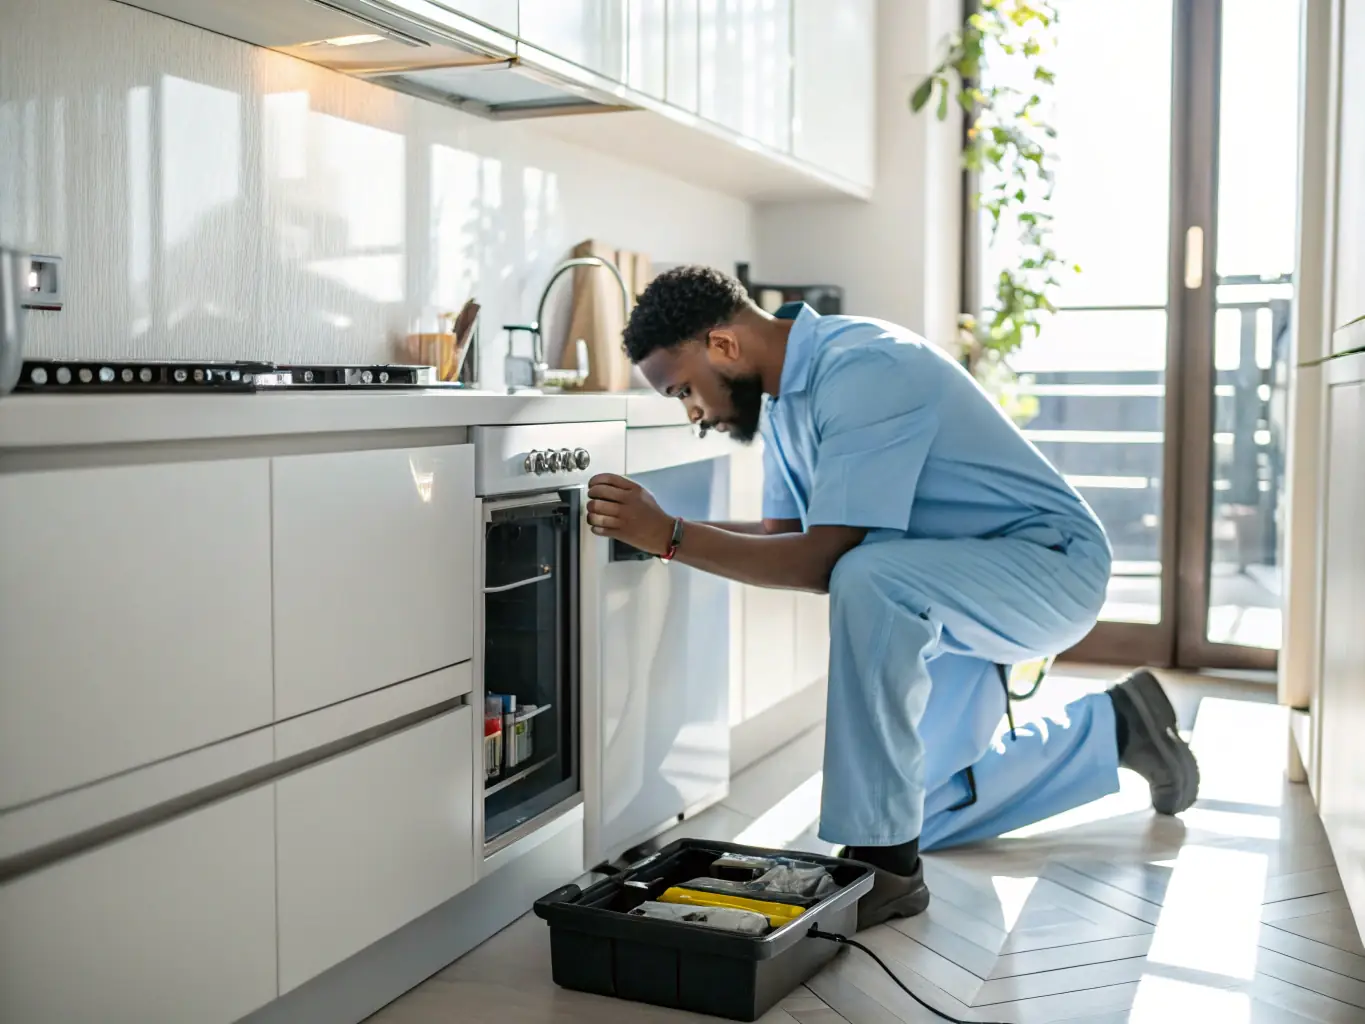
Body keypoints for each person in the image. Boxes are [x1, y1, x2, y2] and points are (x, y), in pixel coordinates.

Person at [586, 266, 1200, 930]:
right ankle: (1114, 728)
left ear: (724, 347)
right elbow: (781, 536)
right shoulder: (783, 399)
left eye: (684, 390)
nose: (694, 415)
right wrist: (657, 533)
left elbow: (824, 560)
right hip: (940, 586)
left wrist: (671, 536)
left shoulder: (865, 367)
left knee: (864, 576)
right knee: (920, 809)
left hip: (1046, 569)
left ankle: (885, 867)